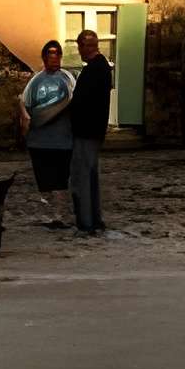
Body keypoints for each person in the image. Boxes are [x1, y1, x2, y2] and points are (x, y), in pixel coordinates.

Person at [19, 39, 76, 229]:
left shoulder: (68, 78)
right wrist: (26, 127)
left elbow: (76, 102)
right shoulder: (35, 80)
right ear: (44, 57)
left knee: (61, 178)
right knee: (43, 179)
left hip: (63, 140)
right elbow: (24, 104)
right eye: (50, 54)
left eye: (57, 53)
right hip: (39, 141)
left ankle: (60, 215)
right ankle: (49, 215)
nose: (54, 57)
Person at [66, 26, 116, 236]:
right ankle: (93, 219)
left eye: (80, 46)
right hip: (93, 130)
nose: (79, 51)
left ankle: (87, 222)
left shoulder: (94, 69)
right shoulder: (101, 67)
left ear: (85, 46)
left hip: (86, 130)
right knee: (90, 175)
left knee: (82, 177)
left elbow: (83, 102)